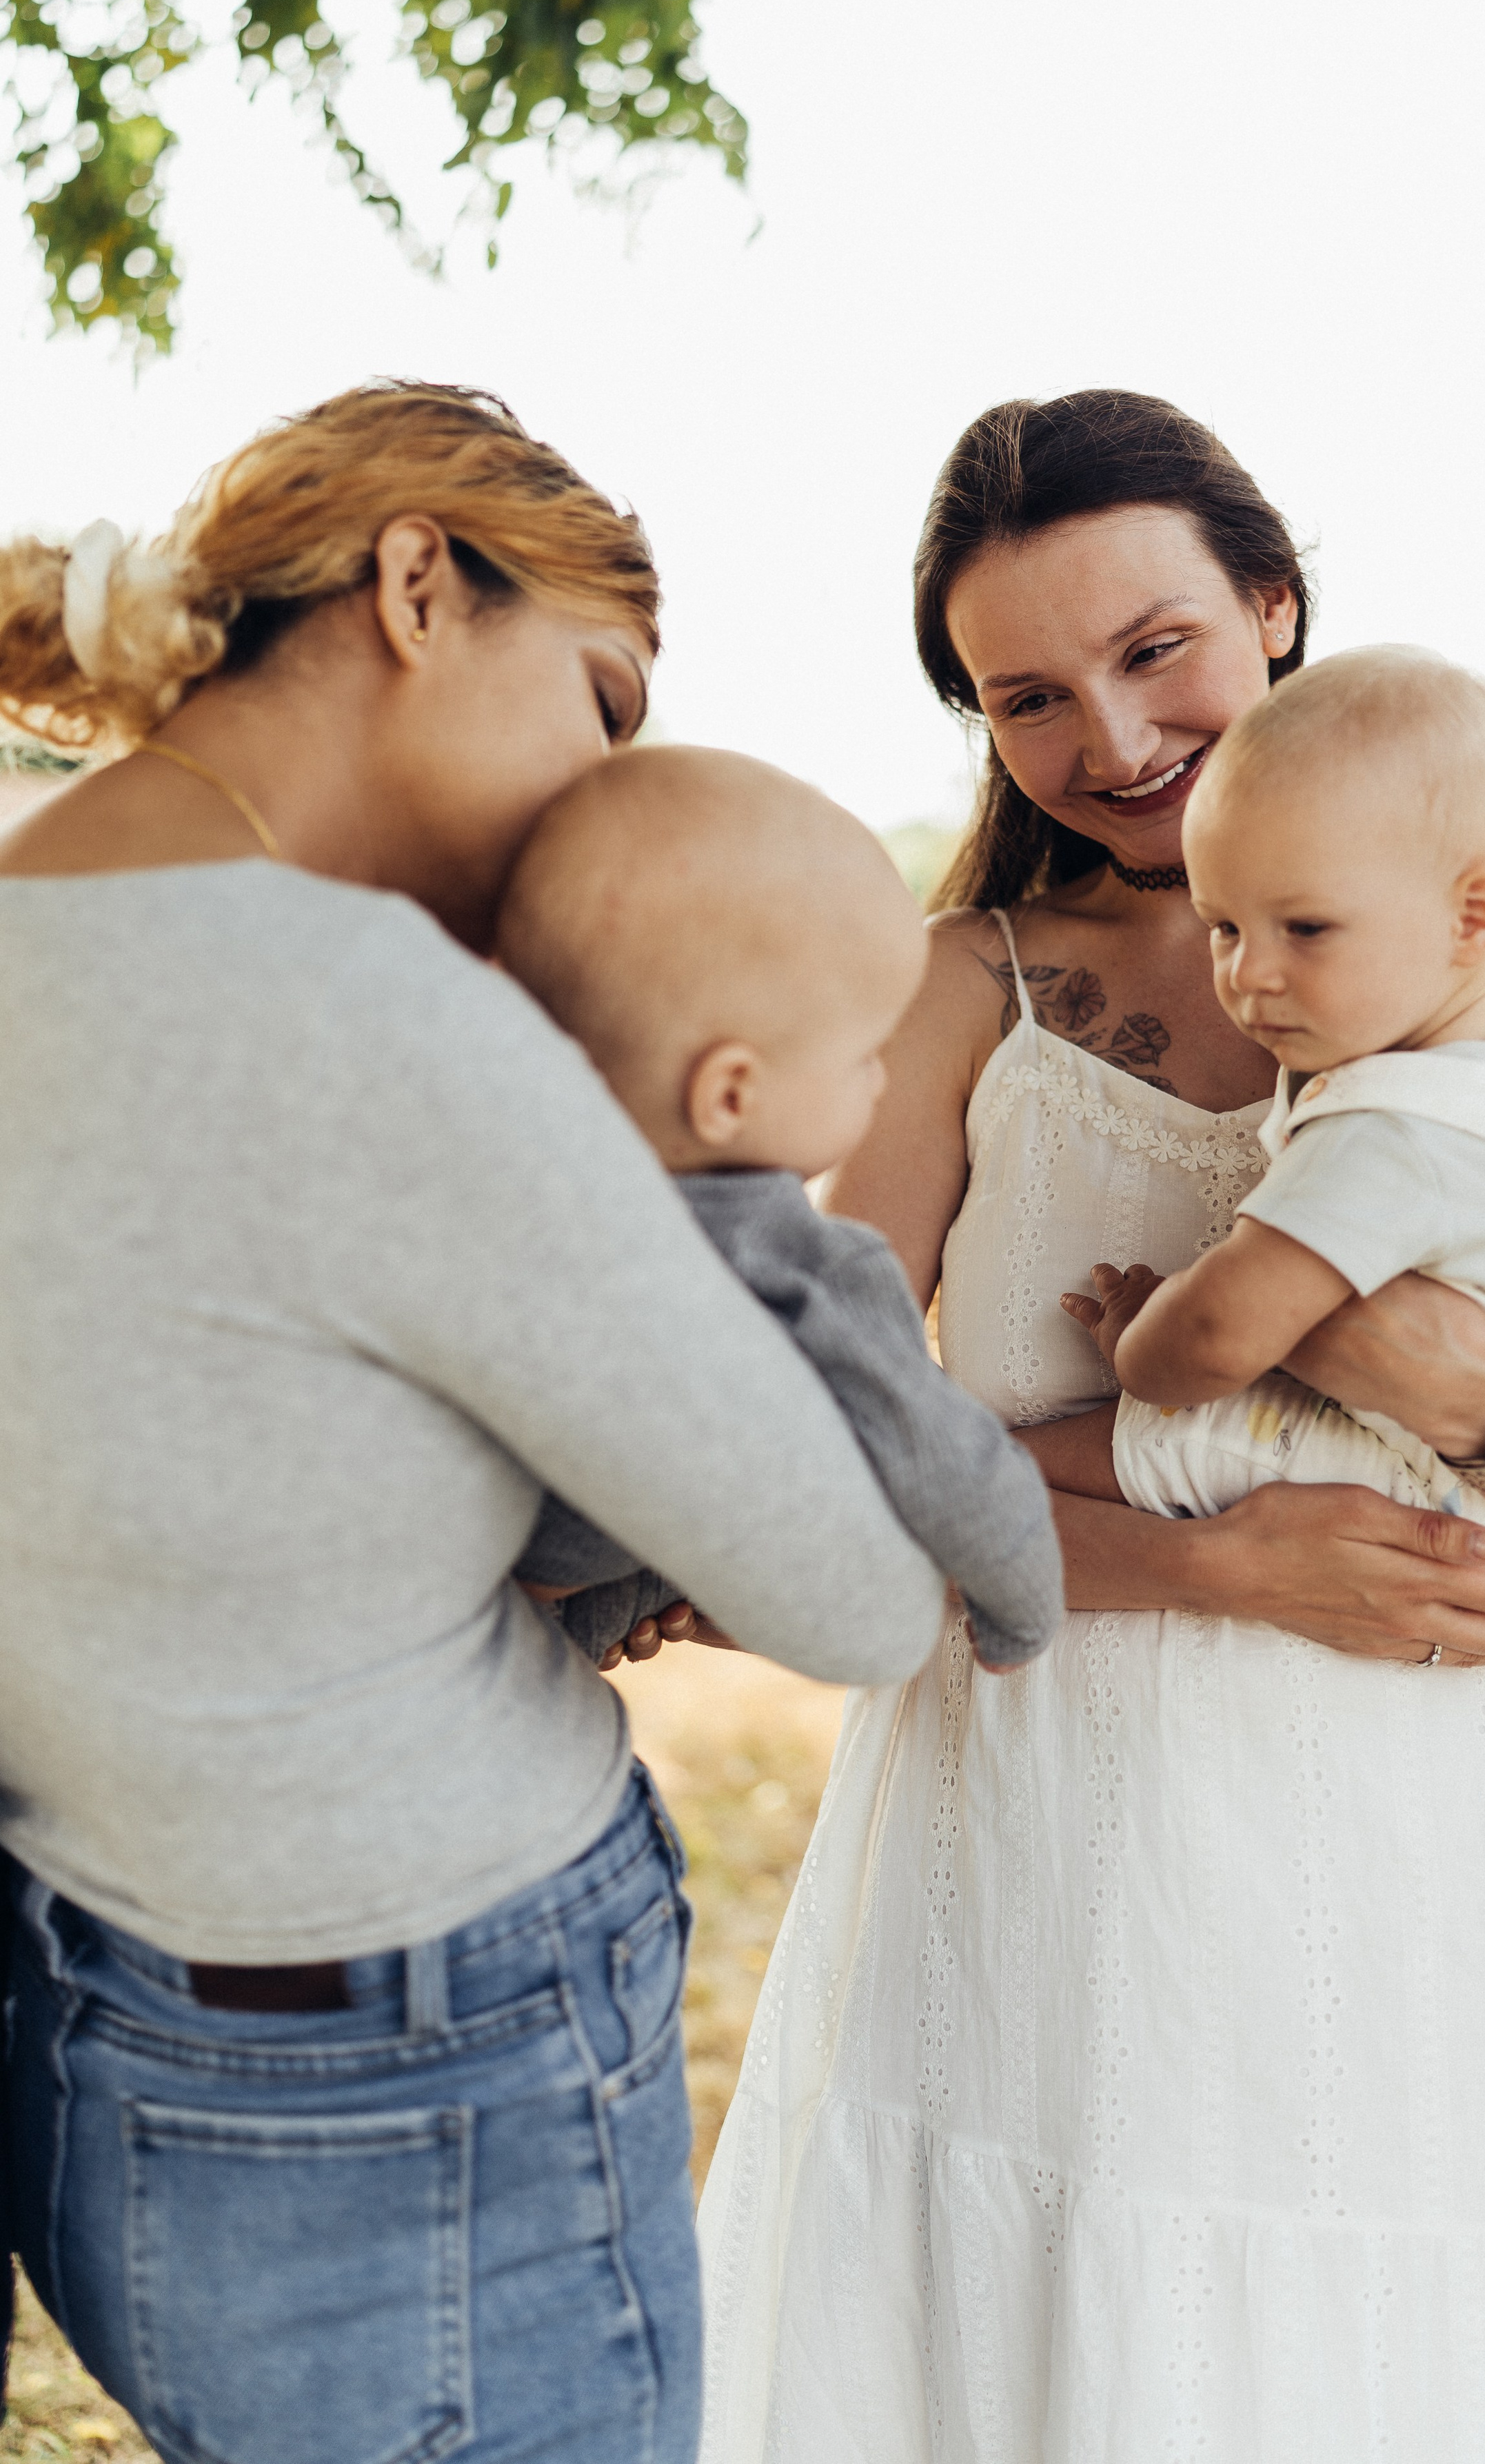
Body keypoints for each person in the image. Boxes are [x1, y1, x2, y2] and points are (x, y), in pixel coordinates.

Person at [695, 390, 1485, 2461]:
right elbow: (806, 1465)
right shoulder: (956, 997)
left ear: (1273, 608)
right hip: (1037, 1878)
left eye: (1154, 646)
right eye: (1027, 694)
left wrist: (1480, 1394)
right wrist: (1212, 1563)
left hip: (1427, 1879)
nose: (1106, 736)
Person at [0, 381, 947, 2464]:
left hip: (95, 2034)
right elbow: (860, 1601)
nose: (607, 791)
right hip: (427, 2061)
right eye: (601, 702)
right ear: (420, 586)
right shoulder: (394, 1022)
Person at [1047, 643, 1485, 1629]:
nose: (1250, 974)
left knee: (1071, 1455)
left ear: (1475, 915)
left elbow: (1219, 1334)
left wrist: (1137, 1339)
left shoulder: (1393, 1128)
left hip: (1450, 1506)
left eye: (1306, 930)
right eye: (1226, 928)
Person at [494, 746, 1064, 1673]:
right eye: (859, 1058)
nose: (881, 1081)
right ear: (730, 1094)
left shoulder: (503, 1195)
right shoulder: (795, 1259)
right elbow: (943, 1460)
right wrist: (1022, 1608)